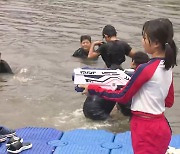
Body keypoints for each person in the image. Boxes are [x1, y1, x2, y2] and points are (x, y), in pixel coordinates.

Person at [80, 18, 177, 154]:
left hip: (145, 129)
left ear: (155, 43)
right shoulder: (167, 67)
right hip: (161, 127)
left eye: (144, 38)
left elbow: (122, 96)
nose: (142, 41)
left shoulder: (145, 68)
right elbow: (169, 101)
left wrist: (92, 88)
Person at [117, 51, 150, 117]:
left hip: (126, 108)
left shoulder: (123, 75)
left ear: (133, 63)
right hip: (142, 108)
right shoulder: (150, 76)